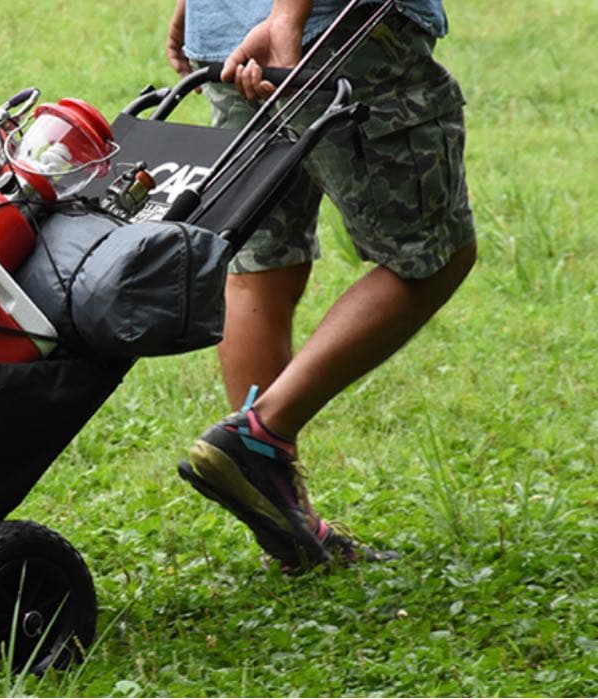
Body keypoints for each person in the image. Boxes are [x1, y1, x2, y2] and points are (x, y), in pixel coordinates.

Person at [166, 0, 478, 572]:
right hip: (334, 29)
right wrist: (287, 15)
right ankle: (261, 437)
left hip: (230, 37)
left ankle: (284, 516)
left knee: (263, 262)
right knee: (434, 256)